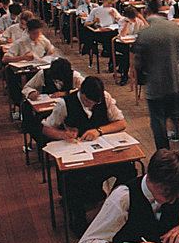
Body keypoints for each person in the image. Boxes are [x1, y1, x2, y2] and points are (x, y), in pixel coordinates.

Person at [42, 76, 133, 234]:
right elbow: (46, 129)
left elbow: (121, 123)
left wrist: (99, 131)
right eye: (86, 101)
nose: (89, 105)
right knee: (72, 179)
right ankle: (79, 219)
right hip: (79, 157)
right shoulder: (65, 104)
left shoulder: (104, 98)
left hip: (103, 154)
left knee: (129, 170)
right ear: (79, 91)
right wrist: (64, 135)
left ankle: (113, 207)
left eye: (93, 103)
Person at [133, 0, 179, 149]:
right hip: (174, 80)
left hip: (155, 84)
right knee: (173, 112)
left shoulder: (144, 33)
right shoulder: (175, 28)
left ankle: (163, 151)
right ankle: (176, 135)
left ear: (147, 13)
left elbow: (138, 63)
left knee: (157, 119)